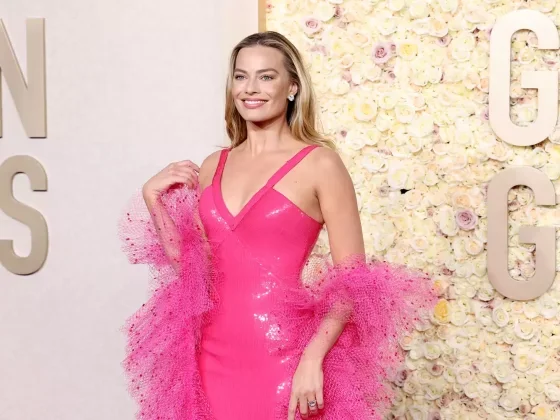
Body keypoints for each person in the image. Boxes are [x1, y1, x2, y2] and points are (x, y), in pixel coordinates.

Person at [119, 31, 437, 420]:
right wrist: (153, 199)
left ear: (292, 87)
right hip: (210, 358)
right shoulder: (212, 166)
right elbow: (193, 269)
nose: (250, 89)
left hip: (286, 358)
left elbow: (352, 281)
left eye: (266, 77)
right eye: (241, 76)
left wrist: (312, 360)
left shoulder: (320, 164)